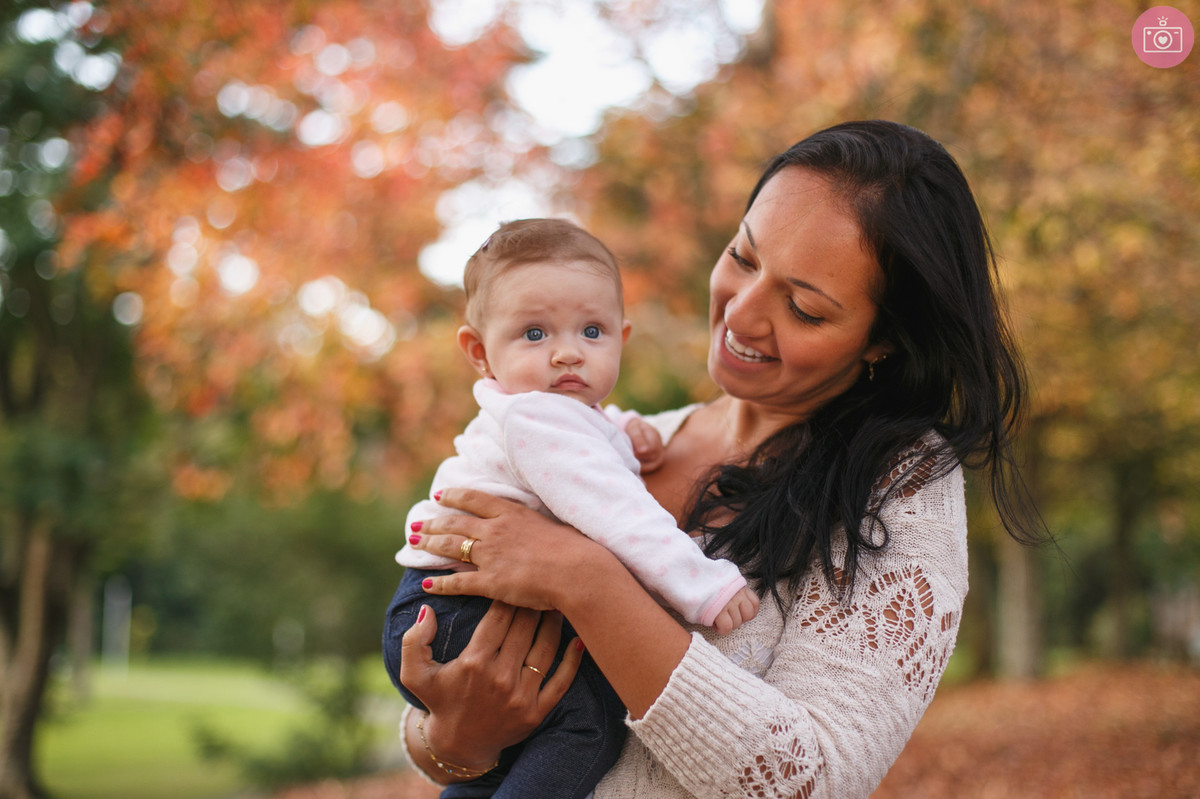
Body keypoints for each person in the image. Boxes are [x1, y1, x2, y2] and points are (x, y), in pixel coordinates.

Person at [396, 120, 1042, 798]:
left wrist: (585, 581)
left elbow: (814, 781)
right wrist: (453, 742)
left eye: (804, 308)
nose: (742, 313)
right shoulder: (617, 438)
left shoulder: (900, 491)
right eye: (743, 256)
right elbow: (447, 712)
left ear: (885, 340)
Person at [383, 218, 760, 798]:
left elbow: (586, 439)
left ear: (621, 338)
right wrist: (703, 585)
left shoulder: (550, 416)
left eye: (592, 331)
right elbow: (617, 513)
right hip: (459, 611)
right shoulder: (538, 419)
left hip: (440, 607)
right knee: (585, 726)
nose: (567, 354)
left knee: (510, 759)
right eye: (534, 334)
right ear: (480, 353)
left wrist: (626, 429)